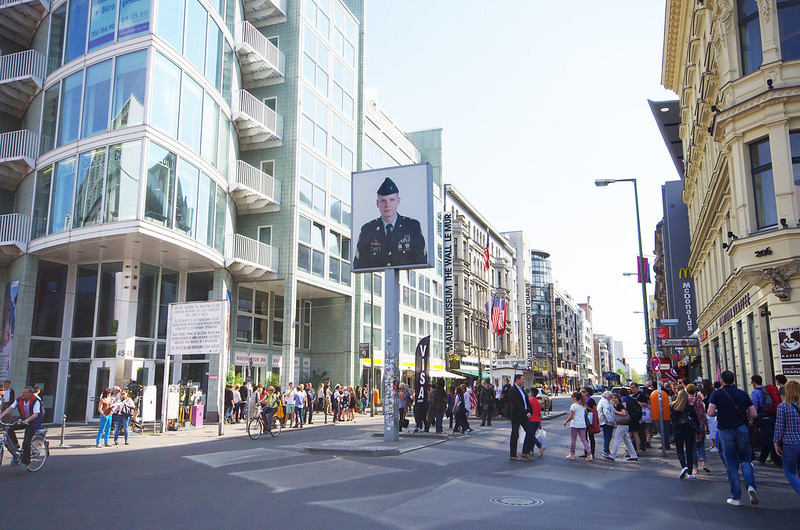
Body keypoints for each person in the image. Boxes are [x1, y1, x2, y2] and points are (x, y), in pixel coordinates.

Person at [708, 370, 759, 506]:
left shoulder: (717, 393)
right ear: (734, 380)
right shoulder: (742, 393)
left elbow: (710, 412)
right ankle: (751, 486)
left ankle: (736, 497)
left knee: (731, 463)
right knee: (745, 460)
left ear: (722, 381)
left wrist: (721, 411)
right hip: (742, 428)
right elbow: (753, 414)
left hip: (725, 429)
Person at [352, 177, 427, 269]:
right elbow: (358, 265)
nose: (387, 205)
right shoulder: (368, 229)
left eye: (391, 200)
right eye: (383, 201)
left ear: (398, 201)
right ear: (377, 203)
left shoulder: (412, 226)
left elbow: (422, 261)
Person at [0, 385, 42, 469]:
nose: (23, 394)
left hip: (33, 422)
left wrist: (27, 420)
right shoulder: (19, 400)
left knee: (26, 442)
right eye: (22, 392)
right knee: (9, 428)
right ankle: (15, 445)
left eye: (25, 393)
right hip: (23, 419)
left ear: (30, 393)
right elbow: (10, 408)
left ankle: (26, 462)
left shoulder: (35, 401)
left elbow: (35, 414)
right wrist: (1, 416)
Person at [773, 380, 800, 499]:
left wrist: (776, 442)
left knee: (789, 472)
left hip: (790, 443)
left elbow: (779, 426)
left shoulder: (783, 406)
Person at [750, 374, 781, 467]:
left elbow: (755, 406)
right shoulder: (767, 390)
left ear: (754, 382)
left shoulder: (755, 392)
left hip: (762, 416)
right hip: (772, 415)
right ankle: (763, 457)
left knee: (768, 438)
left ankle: (778, 461)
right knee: (769, 437)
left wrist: (752, 418)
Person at [671, 389, 699, 479]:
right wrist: (698, 431)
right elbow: (695, 420)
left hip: (677, 430)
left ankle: (684, 466)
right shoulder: (690, 408)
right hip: (689, 431)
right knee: (689, 451)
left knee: (679, 450)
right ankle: (690, 472)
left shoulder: (673, 407)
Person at [508, 374, 535, 461]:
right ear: (517, 380)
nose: (523, 381)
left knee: (530, 432)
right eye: (522, 379)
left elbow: (526, 402)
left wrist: (530, 411)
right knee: (515, 434)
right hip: (516, 415)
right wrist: (525, 412)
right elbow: (516, 404)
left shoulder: (522, 390)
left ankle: (525, 452)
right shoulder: (513, 390)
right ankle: (513, 454)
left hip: (524, 415)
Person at [607, 393, 638, 462]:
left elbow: (624, 413)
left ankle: (612, 455)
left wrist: (616, 412)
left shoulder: (619, 405)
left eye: (615, 398)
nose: (614, 399)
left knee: (616, 440)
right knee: (627, 441)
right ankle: (634, 455)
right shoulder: (618, 405)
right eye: (613, 398)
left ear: (618, 398)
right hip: (625, 424)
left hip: (622, 424)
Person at [686, 383, 710, 474]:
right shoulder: (700, 402)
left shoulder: (686, 401)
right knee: (701, 445)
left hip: (691, 426)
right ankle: (703, 462)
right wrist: (706, 426)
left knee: (693, 447)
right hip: (700, 426)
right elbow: (704, 415)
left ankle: (695, 467)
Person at [527, 387, 545, 458]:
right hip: (537, 420)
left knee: (530, 435)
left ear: (531, 393)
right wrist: (540, 423)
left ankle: (540, 446)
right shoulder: (538, 402)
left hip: (531, 420)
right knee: (533, 435)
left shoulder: (529, 401)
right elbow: (539, 413)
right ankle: (531, 449)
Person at [598, 390, 616, 459]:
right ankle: (606, 451)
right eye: (610, 396)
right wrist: (610, 420)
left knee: (607, 436)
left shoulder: (604, 401)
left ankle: (606, 450)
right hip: (606, 422)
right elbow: (606, 412)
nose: (611, 398)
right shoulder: (604, 402)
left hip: (606, 422)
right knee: (607, 437)